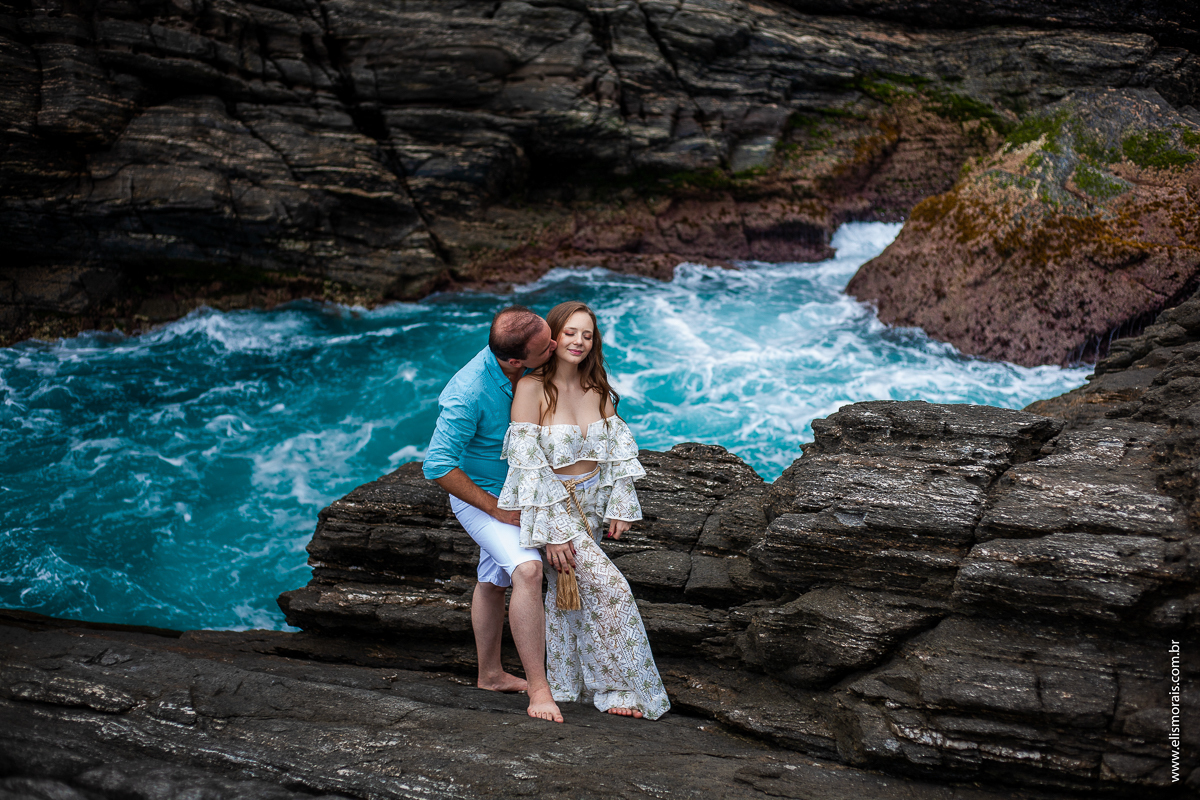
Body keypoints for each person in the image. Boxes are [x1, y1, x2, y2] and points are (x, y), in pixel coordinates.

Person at [497, 301, 670, 720]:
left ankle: (569, 682)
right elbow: (528, 466)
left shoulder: (599, 389)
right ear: (554, 338)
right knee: (612, 590)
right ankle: (626, 691)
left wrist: (622, 504)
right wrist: (553, 532)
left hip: (591, 507)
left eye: (587, 335)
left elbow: (615, 453)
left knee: (570, 599)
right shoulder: (532, 388)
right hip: (553, 509)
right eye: (571, 333)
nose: (579, 341)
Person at [422, 305, 564, 723]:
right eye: (546, 345)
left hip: (525, 490)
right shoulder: (468, 392)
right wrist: (495, 508)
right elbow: (438, 464)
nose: (555, 345)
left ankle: (490, 674)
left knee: (491, 580)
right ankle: (539, 689)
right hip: (485, 499)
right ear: (515, 359)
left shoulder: (531, 359)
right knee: (527, 570)